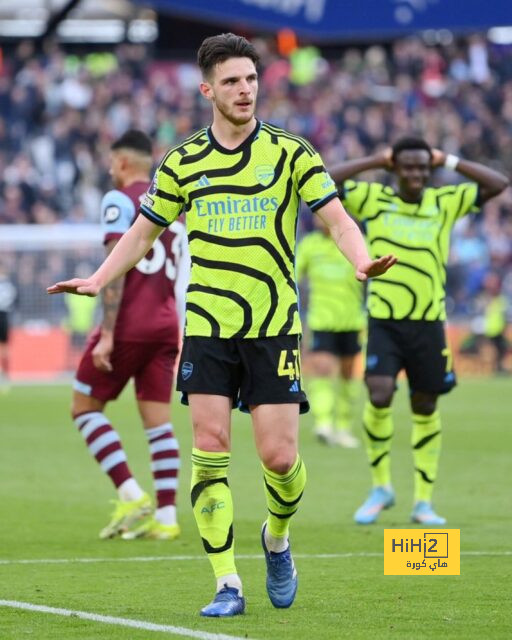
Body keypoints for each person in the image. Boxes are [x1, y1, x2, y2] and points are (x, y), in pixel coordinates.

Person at [48, 33, 395, 617]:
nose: (244, 90)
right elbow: (141, 234)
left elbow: (336, 220)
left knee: (281, 460)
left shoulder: (292, 152)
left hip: (273, 325)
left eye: (251, 80)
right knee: (209, 449)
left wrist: (360, 260)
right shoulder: (184, 161)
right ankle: (227, 583)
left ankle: (277, 539)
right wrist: (99, 278)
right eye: (232, 81)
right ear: (208, 88)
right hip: (207, 324)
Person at [329, 136, 509, 525]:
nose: (416, 173)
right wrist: (375, 158)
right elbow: (326, 181)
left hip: (428, 323)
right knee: (379, 392)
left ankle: (423, 501)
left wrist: (450, 158)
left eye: (423, 167)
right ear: (396, 168)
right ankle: (381, 487)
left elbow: (498, 184)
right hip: (384, 320)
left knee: (425, 404)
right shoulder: (373, 199)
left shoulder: (444, 203)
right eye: (408, 166)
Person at [68, 130, 188, 541]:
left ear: (121, 162)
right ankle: (168, 519)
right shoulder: (173, 207)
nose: (107, 169)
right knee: (158, 423)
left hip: (129, 326)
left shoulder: (118, 201)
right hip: (166, 324)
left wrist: (106, 333)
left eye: (110, 162)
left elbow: (114, 271)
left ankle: (132, 493)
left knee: (84, 407)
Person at [296, 215, 364, 448]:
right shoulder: (310, 245)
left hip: (351, 320)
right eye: (315, 214)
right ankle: (324, 423)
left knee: (347, 375)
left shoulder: (356, 242)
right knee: (322, 369)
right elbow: (293, 275)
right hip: (321, 320)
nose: (318, 218)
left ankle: (344, 427)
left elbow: (369, 270)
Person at [0, 264, 17, 390]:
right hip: (5, 316)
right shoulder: (10, 285)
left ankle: (5, 374)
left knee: (5, 347)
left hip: (4, 316)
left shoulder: (10, 285)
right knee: (5, 347)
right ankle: (4, 374)